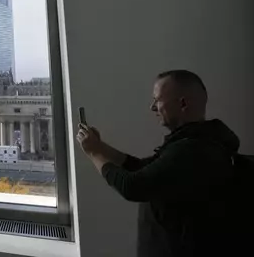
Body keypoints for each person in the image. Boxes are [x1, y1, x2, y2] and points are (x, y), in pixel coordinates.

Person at [76, 70, 244, 257]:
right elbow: (141, 167)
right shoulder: (196, 142)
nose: (152, 107)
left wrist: (93, 152)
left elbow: (132, 186)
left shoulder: (192, 150)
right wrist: (100, 147)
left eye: (157, 100)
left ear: (183, 103)